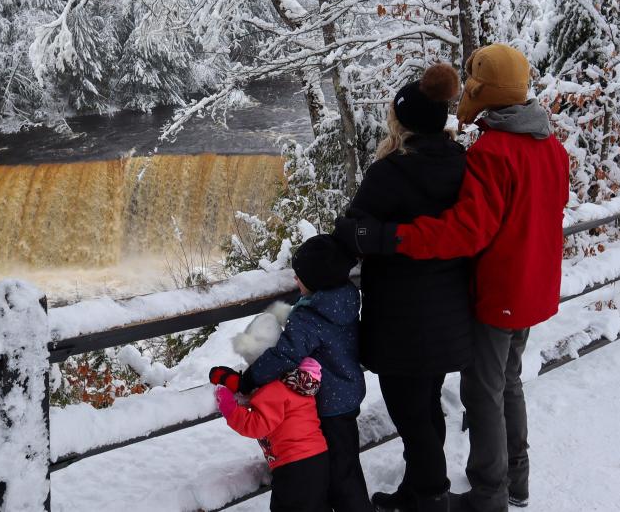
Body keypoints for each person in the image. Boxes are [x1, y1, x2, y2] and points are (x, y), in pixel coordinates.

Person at [335, 44, 570, 512]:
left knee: (482, 392)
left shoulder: (493, 152)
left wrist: (390, 237)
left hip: (498, 291)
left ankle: (488, 495)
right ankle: (516, 480)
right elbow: (549, 212)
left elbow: (465, 231)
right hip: (534, 286)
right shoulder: (551, 147)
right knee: (508, 382)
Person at [340, 63, 474, 512]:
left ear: (402, 123)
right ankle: (416, 493)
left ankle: (432, 498)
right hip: (448, 314)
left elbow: (352, 231)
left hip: (401, 321)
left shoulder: (390, 173)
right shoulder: (462, 164)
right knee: (426, 407)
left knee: (412, 416)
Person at [211, 234, 371, 512]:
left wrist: (248, 380)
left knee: (340, 476)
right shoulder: (343, 298)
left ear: (317, 281)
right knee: (344, 466)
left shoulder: (310, 318)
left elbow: (284, 354)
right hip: (348, 393)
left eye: (300, 276)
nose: (295, 279)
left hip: (328, 405)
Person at [214, 357, 331, 512]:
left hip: (294, 465)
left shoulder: (274, 389)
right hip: (318, 458)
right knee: (316, 505)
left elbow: (256, 425)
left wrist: (230, 409)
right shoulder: (298, 384)